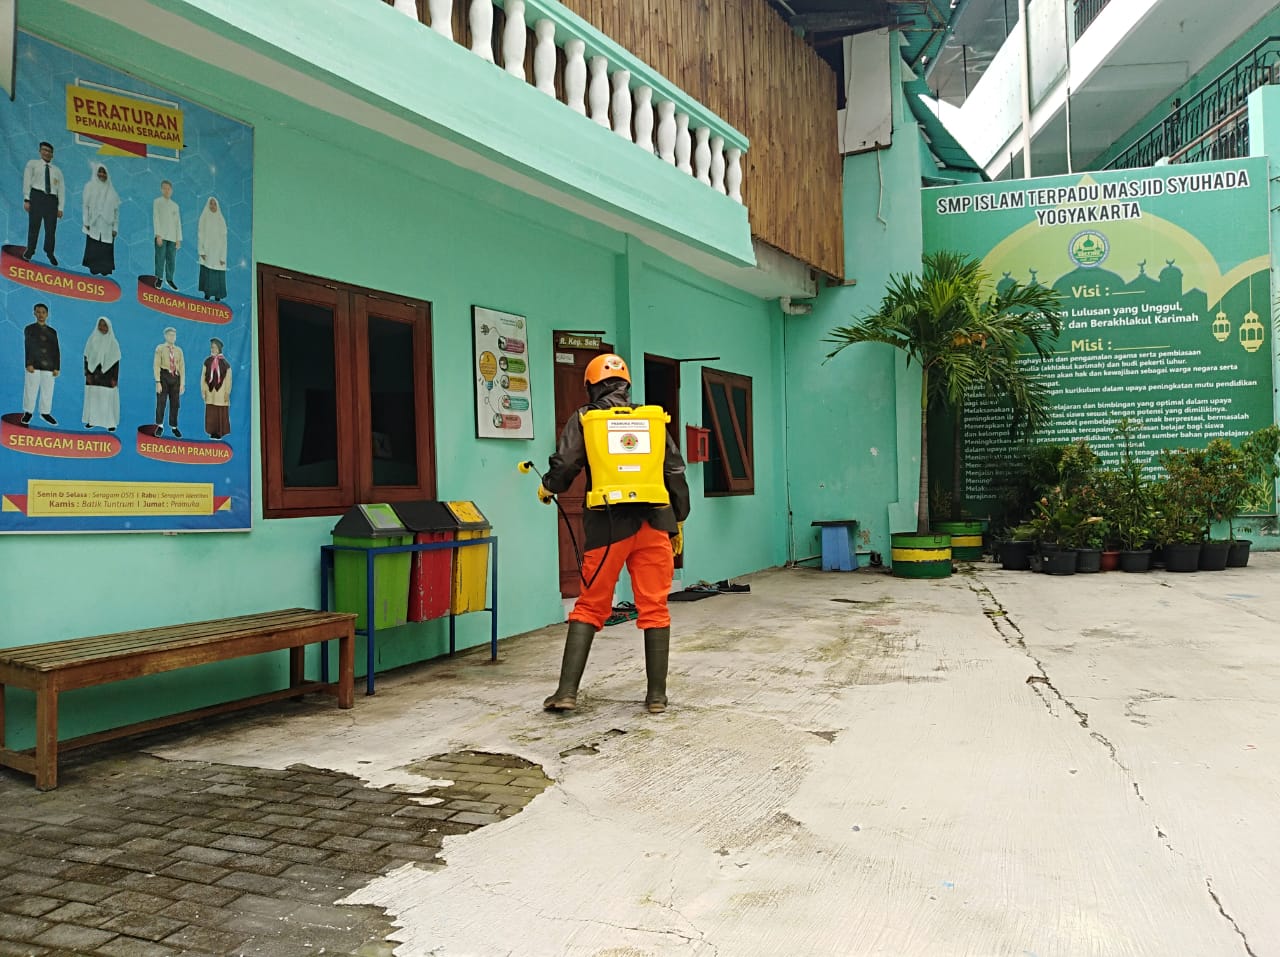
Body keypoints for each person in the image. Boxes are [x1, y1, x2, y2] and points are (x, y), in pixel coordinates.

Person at [538, 353, 690, 714]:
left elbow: (567, 462)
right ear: (626, 386)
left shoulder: (588, 418)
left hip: (608, 527)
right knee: (654, 607)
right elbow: (675, 471)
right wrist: (678, 519)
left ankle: (566, 693)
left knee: (590, 605)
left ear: (591, 386)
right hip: (655, 524)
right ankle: (656, 697)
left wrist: (549, 485)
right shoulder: (651, 419)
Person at [23, 141, 65, 266]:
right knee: (34, 226)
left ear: (52, 155)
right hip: (37, 197)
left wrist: (60, 208)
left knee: (51, 229)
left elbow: (61, 190)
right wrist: (27, 199)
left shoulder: (57, 171)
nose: (46, 153)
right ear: (40, 151)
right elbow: (27, 181)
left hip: (51, 200)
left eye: (49, 151)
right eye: (44, 150)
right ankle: (30, 250)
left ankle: (49, 252)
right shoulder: (33, 164)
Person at [21, 303, 59, 426]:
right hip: (34, 364)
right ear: (34, 313)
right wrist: (29, 363)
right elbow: (28, 346)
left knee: (48, 390)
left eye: (43, 312)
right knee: (31, 388)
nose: (41, 314)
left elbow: (56, 349)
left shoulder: (52, 332)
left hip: (49, 365)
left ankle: (45, 412)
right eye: (38, 312)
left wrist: (57, 367)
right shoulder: (30, 329)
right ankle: (28, 412)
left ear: (47, 314)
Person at [81, 162, 120, 276]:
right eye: (100, 171)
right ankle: (93, 267)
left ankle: (105, 269)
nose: (102, 174)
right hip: (94, 223)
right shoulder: (89, 187)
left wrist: (115, 228)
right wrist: (86, 222)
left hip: (107, 225)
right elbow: (85, 205)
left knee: (105, 247)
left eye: (104, 172)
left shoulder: (112, 192)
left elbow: (116, 211)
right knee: (94, 245)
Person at [82, 317, 121, 432]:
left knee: (107, 399)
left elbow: (116, 362)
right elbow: (86, 357)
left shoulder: (113, 343)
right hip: (93, 375)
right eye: (100, 325)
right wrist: (87, 374)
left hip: (108, 377)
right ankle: (92, 421)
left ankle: (110, 423)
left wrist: (115, 379)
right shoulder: (92, 340)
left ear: (109, 327)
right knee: (93, 398)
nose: (102, 327)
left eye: (105, 325)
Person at [153, 326, 185, 438]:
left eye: (174, 335)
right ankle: (160, 425)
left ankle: (174, 426)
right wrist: (157, 381)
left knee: (175, 403)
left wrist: (182, 384)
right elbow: (156, 365)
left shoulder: (179, 350)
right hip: (164, 376)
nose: (172, 337)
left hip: (175, 377)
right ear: (165, 336)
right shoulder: (160, 348)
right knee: (161, 402)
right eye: (170, 335)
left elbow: (182, 367)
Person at [200, 337, 232, 439]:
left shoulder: (225, 364)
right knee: (211, 412)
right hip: (210, 392)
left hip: (221, 393)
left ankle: (220, 431)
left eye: (214, 347)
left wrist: (227, 393)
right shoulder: (207, 362)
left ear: (219, 349)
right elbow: (203, 376)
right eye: (211, 347)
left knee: (220, 411)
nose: (212, 349)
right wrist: (203, 390)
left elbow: (228, 379)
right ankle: (212, 431)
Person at [197, 197, 228, 301]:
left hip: (218, 252)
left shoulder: (221, 219)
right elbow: (200, 234)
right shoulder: (204, 217)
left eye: (214, 204)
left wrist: (222, 257)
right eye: (211, 204)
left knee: (217, 273)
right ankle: (208, 293)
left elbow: (224, 239)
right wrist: (201, 251)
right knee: (208, 272)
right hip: (207, 251)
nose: (213, 206)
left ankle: (218, 295)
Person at [152, 180, 181, 290]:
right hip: (161, 236)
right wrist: (158, 234)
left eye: (168, 189)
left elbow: (177, 223)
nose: (166, 190)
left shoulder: (175, 206)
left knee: (171, 259)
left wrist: (178, 239)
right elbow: (156, 218)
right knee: (160, 257)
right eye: (164, 188)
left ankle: (169, 279)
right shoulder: (157, 202)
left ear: (171, 191)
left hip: (172, 237)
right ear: (161, 189)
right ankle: (159, 278)